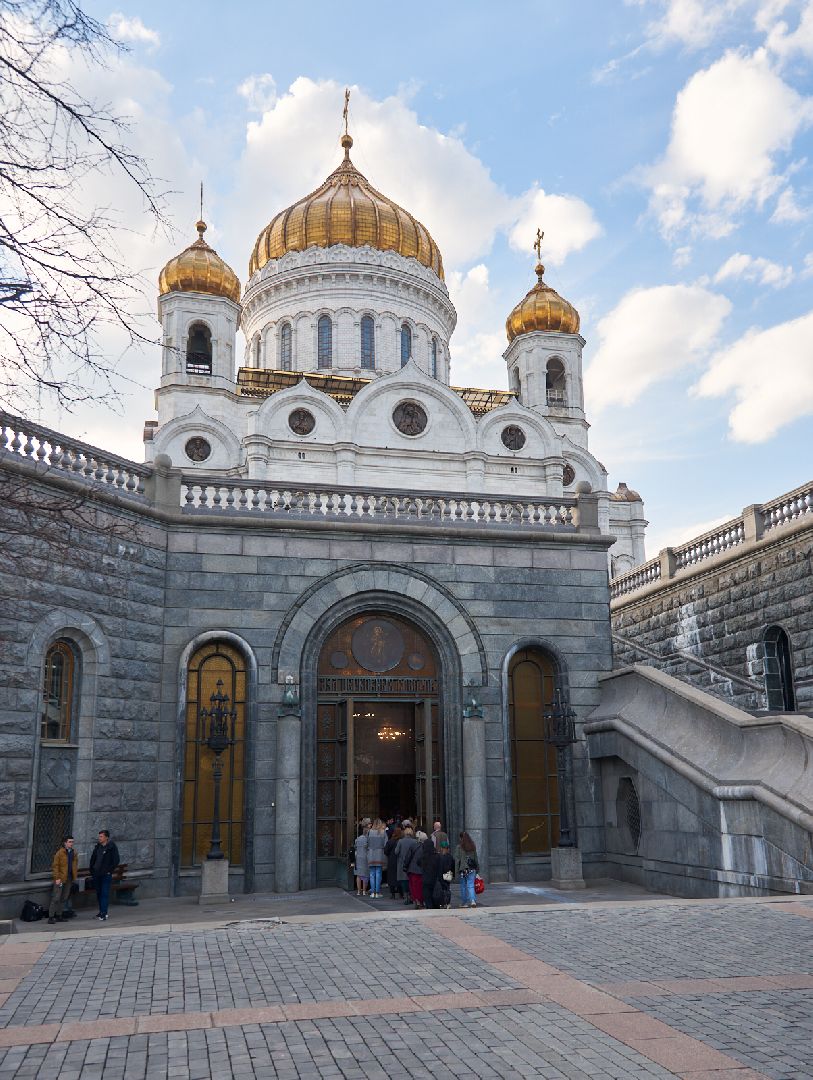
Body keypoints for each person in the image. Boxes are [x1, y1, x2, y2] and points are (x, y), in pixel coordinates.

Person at [89, 829, 119, 921]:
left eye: (101, 836)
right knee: (99, 893)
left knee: (104, 894)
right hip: (97, 874)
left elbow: (116, 860)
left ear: (106, 837)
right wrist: (92, 870)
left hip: (106, 874)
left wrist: (109, 870)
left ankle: (104, 913)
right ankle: (101, 911)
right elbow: (93, 859)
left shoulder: (111, 847)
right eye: (99, 836)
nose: (99, 838)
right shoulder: (98, 847)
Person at [48, 835, 78, 925]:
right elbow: (55, 866)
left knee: (64, 897)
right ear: (65, 843)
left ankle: (59, 915)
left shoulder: (74, 852)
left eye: (72, 842)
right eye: (69, 842)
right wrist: (57, 878)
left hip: (69, 878)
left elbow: (75, 864)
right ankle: (51, 916)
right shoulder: (60, 853)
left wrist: (74, 875)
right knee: (56, 897)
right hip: (60, 878)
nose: (71, 843)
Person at [455, 830, 479, 909]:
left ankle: (464, 902)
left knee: (463, 886)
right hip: (472, 869)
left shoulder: (459, 847)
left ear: (461, 838)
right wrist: (477, 868)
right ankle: (472, 901)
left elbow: (457, 860)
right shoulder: (472, 845)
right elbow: (476, 858)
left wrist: (456, 871)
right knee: (471, 885)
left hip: (463, 869)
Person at [395, 825, 417, 905]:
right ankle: (411, 896)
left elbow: (396, 852)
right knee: (411, 880)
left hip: (402, 863)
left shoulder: (400, 841)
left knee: (404, 881)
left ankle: (407, 896)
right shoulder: (414, 841)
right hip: (412, 863)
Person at [366, 819, 387, 898]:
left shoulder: (370, 832)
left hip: (371, 854)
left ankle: (372, 892)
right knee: (378, 873)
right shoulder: (383, 832)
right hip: (379, 854)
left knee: (371, 874)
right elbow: (385, 844)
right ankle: (377, 892)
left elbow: (366, 843)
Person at [406, 830, 427, 907]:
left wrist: (405, 867)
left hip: (413, 869)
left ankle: (417, 900)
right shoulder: (426, 847)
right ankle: (420, 901)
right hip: (421, 870)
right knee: (421, 886)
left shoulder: (413, 846)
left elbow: (408, 858)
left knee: (414, 887)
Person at [420, 836, 440, 909]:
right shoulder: (436, 856)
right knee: (434, 893)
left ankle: (429, 906)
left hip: (426, 878)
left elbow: (418, 863)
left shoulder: (423, 857)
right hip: (434, 878)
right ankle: (434, 905)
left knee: (427, 894)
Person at [384, 825, 403, 899]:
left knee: (391, 877)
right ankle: (401, 893)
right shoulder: (401, 841)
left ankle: (392, 894)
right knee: (400, 877)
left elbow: (385, 851)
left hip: (391, 861)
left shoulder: (390, 841)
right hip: (399, 860)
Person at [353, 821, 370, 896]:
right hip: (365, 857)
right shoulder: (367, 840)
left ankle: (358, 891)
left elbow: (355, 847)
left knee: (358, 875)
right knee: (365, 875)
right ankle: (364, 891)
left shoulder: (357, 839)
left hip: (358, 858)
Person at [437, 838, 454, 909]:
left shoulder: (439, 857)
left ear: (441, 848)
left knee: (442, 889)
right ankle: (448, 902)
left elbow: (439, 867)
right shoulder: (450, 856)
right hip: (448, 874)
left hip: (442, 874)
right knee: (447, 888)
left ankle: (443, 902)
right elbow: (453, 866)